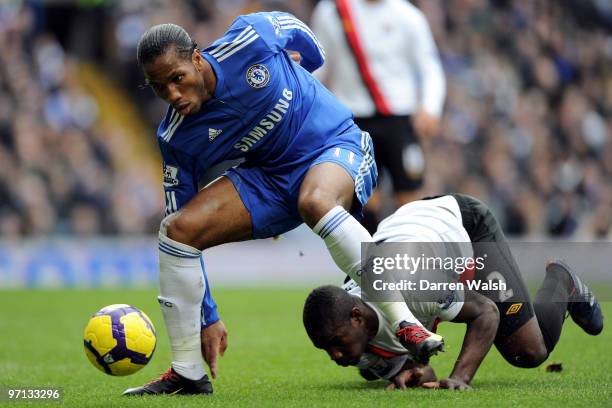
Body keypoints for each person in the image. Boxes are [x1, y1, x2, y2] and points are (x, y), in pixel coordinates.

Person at [123, 12, 442, 396]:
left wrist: (307, 67)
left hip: (334, 144)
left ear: (196, 58)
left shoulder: (250, 39)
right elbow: (181, 231)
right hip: (270, 179)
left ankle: (404, 321)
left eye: (177, 79)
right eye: (160, 87)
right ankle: (187, 371)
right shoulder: (177, 138)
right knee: (175, 231)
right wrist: (207, 316)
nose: (173, 94)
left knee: (315, 200)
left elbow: (297, 31)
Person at [303, 194, 604, 390]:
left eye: (335, 343)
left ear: (357, 317)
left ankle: (563, 280)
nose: (335, 354)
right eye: (326, 348)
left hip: (467, 226)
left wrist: (460, 377)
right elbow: (417, 364)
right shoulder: (352, 319)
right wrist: (417, 372)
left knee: (528, 351)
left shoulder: (418, 285)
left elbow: (486, 311)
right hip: (413, 229)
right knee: (371, 371)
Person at [311, 0, 446, 233]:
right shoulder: (332, 11)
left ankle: (411, 263)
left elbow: (429, 65)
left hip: (400, 118)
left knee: (410, 199)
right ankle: (369, 265)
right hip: (353, 120)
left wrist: (430, 108)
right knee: (362, 201)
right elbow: (319, 66)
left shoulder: (407, 15)